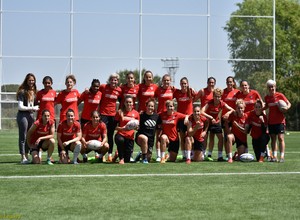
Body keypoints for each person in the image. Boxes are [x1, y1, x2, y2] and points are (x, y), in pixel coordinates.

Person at [201, 88, 234, 161]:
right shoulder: (210, 103)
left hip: (216, 123)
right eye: (215, 96)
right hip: (207, 122)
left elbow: (232, 109)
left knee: (221, 138)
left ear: (221, 97)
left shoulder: (222, 103)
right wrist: (210, 117)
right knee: (207, 137)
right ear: (213, 96)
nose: (217, 98)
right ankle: (205, 154)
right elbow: (201, 111)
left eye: (219, 96)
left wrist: (228, 113)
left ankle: (220, 156)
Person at [263, 79, 291, 162]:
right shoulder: (267, 97)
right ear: (267, 88)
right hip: (271, 121)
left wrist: (286, 108)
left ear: (275, 87)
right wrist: (259, 110)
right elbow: (266, 107)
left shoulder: (280, 95)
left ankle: (282, 157)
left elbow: (289, 103)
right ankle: (274, 156)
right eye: (269, 87)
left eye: (273, 87)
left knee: (281, 138)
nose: (271, 88)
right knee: (273, 139)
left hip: (280, 121)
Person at [16, 73, 39, 164]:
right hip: (23, 115)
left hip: (31, 115)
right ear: (26, 80)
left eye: (33, 80)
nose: (31, 82)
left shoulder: (34, 91)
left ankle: (26, 155)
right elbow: (20, 107)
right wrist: (33, 108)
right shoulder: (22, 91)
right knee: (23, 136)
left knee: (29, 136)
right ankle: (23, 157)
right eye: (30, 80)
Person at [99, 73, 122, 162]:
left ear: (117, 81)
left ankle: (109, 154)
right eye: (112, 79)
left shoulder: (119, 90)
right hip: (103, 114)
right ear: (109, 80)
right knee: (102, 135)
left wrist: (120, 111)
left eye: (115, 80)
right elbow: (94, 90)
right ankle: (101, 154)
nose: (113, 81)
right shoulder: (103, 87)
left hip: (112, 116)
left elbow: (122, 100)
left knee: (110, 135)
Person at [173, 77, 197, 161]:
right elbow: (169, 91)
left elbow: (198, 96)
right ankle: (184, 155)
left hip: (190, 118)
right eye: (182, 83)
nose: (184, 85)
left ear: (187, 84)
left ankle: (192, 153)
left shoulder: (191, 92)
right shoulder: (177, 92)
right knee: (182, 137)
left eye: (185, 83)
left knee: (191, 137)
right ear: (180, 84)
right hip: (181, 118)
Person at [154, 74, 175, 162]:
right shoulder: (158, 90)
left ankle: (169, 153)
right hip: (160, 115)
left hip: (169, 116)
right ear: (162, 81)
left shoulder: (173, 90)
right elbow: (153, 99)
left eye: (168, 80)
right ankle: (159, 155)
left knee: (170, 135)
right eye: (165, 80)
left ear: (170, 81)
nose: (166, 82)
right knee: (158, 135)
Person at [114, 95, 140, 164]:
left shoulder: (136, 114)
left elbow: (138, 127)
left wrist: (136, 128)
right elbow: (114, 127)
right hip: (120, 135)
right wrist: (122, 129)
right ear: (124, 103)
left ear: (133, 103)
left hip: (130, 137)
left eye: (130, 102)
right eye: (127, 102)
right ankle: (121, 158)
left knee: (127, 160)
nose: (129, 104)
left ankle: (117, 154)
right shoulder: (120, 112)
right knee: (120, 140)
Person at [135, 98, 159, 163]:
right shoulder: (141, 115)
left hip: (150, 140)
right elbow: (136, 124)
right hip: (141, 137)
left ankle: (141, 154)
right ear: (146, 106)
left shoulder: (157, 116)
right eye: (149, 106)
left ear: (154, 107)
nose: (150, 107)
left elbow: (158, 128)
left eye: (152, 106)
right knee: (144, 138)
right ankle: (144, 159)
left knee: (149, 157)